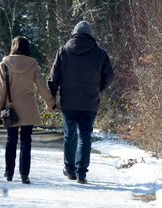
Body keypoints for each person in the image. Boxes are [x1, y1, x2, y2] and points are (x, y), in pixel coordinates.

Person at [48, 21, 114, 184]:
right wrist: (98, 88)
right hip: (89, 101)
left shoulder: (63, 51)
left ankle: (70, 170)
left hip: (68, 102)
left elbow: (53, 78)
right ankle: (82, 173)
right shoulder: (100, 53)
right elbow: (110, 76)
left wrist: (50, 99)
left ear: (74, 34)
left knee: (69, 135)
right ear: (90, 35)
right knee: (85, 136)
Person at [0, 36, 55, 184]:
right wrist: (51, 102)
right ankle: (24, 175)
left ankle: (9, 173)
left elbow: (1, 90)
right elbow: (41, 86)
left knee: (11, 140)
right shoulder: (33, 64)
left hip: (11, 108)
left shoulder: (4, 64)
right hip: (28, 108)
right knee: (26, 141)